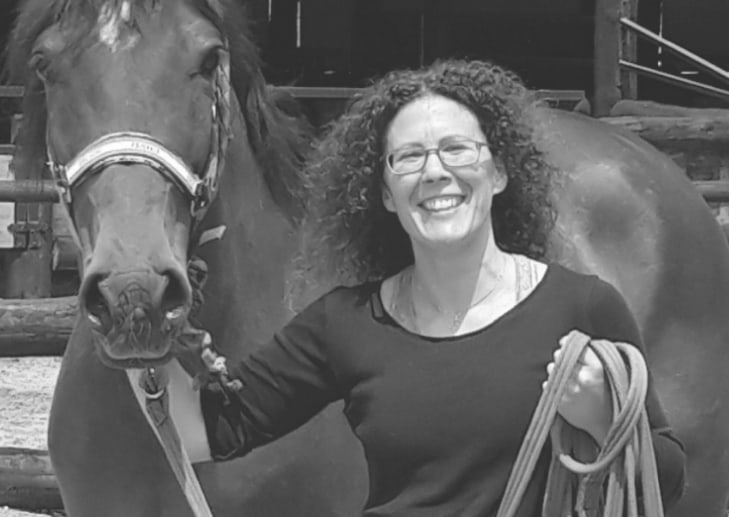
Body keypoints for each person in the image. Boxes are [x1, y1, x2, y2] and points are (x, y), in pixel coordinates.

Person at [181, 59, 686, 515]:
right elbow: (214, 429)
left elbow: (668, 480)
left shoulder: (583, 306)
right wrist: (151, 332)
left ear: (499, 172)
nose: (435, 172)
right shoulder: (344, 323)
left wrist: (605, 420)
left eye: (456, 149)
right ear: (385, 193)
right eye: (408, 157)